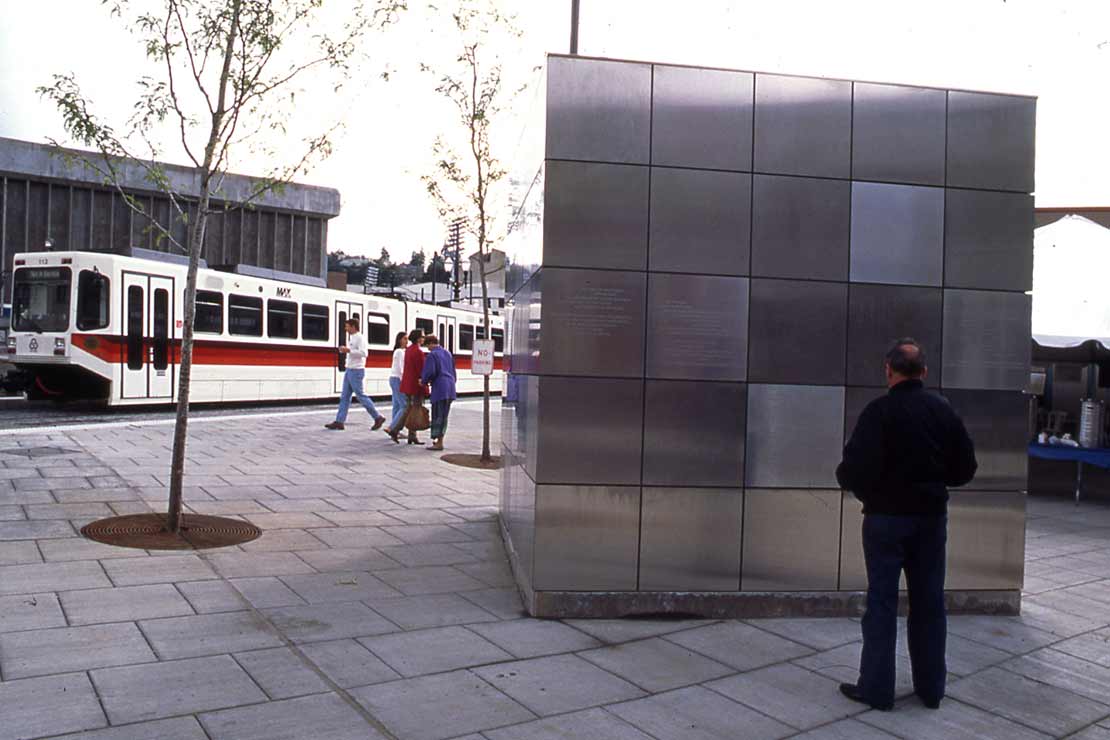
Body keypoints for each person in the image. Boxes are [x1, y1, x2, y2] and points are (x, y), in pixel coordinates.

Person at [836, 338, 977, 712]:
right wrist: (933, 482)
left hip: (884, 520)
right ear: (924, 372)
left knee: (881, 603)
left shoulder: (878, 412)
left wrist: (871, 494)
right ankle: (931, 690)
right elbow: (965, 468)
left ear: (888, 370)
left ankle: (877, 690)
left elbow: (852, 470)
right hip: (930, 520)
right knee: (929, 602)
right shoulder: (942, 410)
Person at [325, 317, 387, 432]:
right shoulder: (353, 338)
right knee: (345, 396)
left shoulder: (360, 338)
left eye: (347, 326)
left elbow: (364, 353)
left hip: (356, 370)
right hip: (350, 369)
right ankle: (339, 421)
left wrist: (348, 351)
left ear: (353, 327)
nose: (346, 328)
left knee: (360, 395)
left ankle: (377, 417)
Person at [419, 334, 457, 451]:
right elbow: (453, 371)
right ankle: (440, 440)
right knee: (444, 415)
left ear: (431, 343)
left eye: (427, 346)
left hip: (440, 388)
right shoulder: (448, 353)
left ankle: (438, 442)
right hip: (450, 387)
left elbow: (430, 371)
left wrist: (423, 381)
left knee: (438, 414)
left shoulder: (432, 355)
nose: (428, 349)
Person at [396, 328, 427, 445]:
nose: (424, 338)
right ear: (418, 338)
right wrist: (425, 383)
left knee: (410, 408)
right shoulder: (418, 352)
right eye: (422, 336)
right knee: (414, 409)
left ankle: (412, 436)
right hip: (415, 385)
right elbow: (421, 370)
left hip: (407, 384)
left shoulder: (408, 350)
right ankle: (395, 429)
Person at [384, 331, 409, 443]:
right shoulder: (399, 352)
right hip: (398, 379)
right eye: (404, 338)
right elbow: (401, 368)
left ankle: (396, 430)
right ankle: (392, 427)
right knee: (404, 405)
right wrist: (405, 380)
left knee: (397, 406)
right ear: (400, 340)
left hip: (394, 379)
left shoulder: (398, 351)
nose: (407, 341)